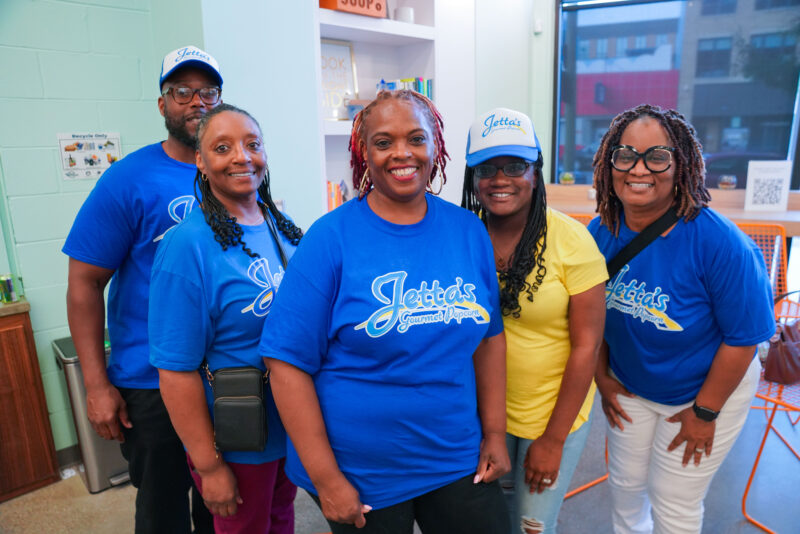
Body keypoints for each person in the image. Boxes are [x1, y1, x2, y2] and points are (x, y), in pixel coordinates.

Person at [260, 89, 511, 534]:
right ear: (364, 153)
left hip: (455, 452)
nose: (402, 153)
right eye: (383, 142)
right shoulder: (329, 239)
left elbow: (489, 338)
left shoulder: (468, 231)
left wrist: (494, 432)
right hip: (362, 468)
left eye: (416, 138)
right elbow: (286, 365)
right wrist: (327, 479)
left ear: (436, 147)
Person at [588, 104, 775, 534]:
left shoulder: (722, 244)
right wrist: (603, 377)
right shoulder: (600, 233)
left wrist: (705, 413)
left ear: (682, 164)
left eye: (657, 156)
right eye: (625, 155)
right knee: (625, 488)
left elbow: (743, 339)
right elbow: (589, 317)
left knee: (674, 502)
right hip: (631, 386)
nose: (639, 168)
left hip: (705, 392)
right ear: (608, 163)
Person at [63, 45, 222, 533]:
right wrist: (96, 386)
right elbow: (84, 284)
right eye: (182, 92)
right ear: (162, 104)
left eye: (208, 93)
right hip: (150, 382)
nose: (197, 102)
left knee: (223, 502)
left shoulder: (236, 172)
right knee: (163, 511)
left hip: (227, 376)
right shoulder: (128, 179)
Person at [148, 103, 303, 533]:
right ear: (200, 160)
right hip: (237, 438)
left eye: (252, 144)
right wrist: (209, 467)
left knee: (280, 521)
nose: (242, 156)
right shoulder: (186, 247)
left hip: (289, 427)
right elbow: (175, 372)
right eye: (223, 147)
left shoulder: (280, 226)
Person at [461, 108, 607, 534]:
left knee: (531, 527)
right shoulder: (461, 235)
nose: (500, 179)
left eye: (515, 165)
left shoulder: (572, 240)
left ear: (536, 170)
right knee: (490, 523)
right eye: (487, 167)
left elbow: (587, 347)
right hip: (482, 414)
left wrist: (554, 440)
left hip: (552, 414)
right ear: (472, 176)